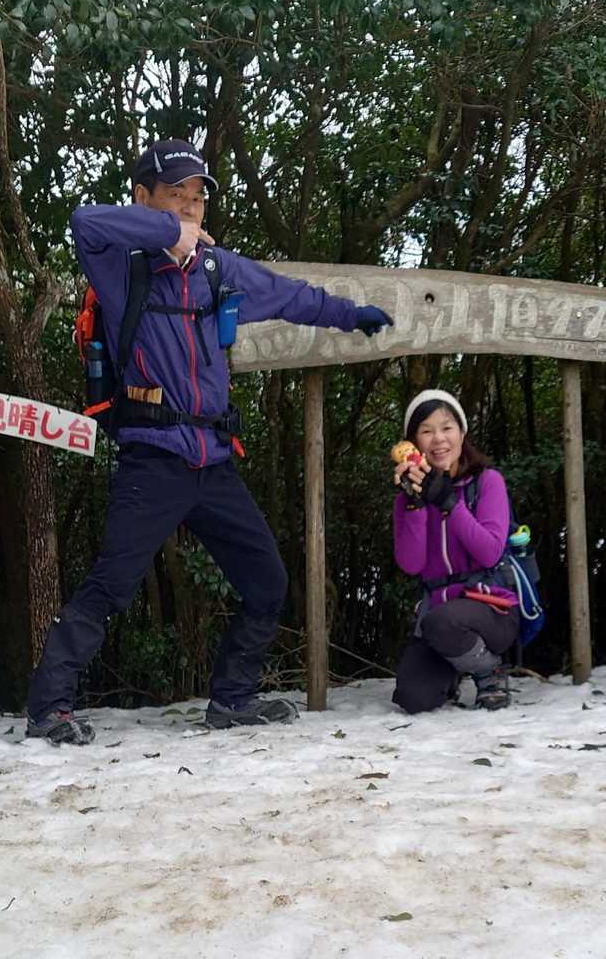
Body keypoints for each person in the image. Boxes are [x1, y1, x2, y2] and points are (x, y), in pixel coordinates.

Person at [26, 137, 393, 744]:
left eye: (197, 198)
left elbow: (289, 295)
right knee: (113, 584)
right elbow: (84, 220)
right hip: (153, 457)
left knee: (267, 580)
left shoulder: (216, 270)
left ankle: (233, 698)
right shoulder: (120, 268)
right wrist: (166, 232)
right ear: (142, 198)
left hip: (213, 461)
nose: (190, 207)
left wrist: (352, 316)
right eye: (176, 195)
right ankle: (49, 709)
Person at [392, 390, 519, 713]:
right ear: (413, 443)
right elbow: (411, 564)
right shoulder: (406, 499)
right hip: (438, 614)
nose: (438, 439)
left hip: (491, 610)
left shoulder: (487, 482)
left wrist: (448, 502)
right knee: (413, 698)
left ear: (462, 434)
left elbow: (490, 552)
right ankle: (456, 668)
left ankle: (489, 672)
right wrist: (416, 505)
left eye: (447, 428)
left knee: (443, 623)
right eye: (426, 431)